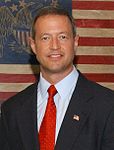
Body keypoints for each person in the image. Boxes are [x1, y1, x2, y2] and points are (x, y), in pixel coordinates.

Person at [0, 6, 114, 150]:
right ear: (33, 45)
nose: (55, 46)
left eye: (62, 37)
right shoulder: (12, 110)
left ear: (75, 42)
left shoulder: (108, 106)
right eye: (45, 38)